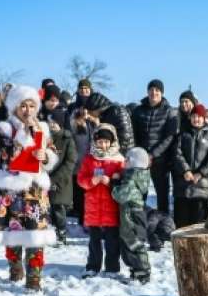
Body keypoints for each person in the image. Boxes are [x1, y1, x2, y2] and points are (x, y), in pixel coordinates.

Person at [0, 85, 58, 290]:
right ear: (14, 107)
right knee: (11, 234)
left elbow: (52, 153)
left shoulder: (43, 129)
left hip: (35, 190)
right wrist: (24, 133)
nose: (28, 110)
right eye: (23, 106)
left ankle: (34, 278)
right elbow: (8, 155)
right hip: (11, 190)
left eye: (31, 105)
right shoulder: (4, 128)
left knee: (35, 235)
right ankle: (15, 269)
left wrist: (46, 156)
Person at [77, 124, 125, 277]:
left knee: (112, 240)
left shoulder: (118, 160)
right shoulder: (89, 159)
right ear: (95, 142)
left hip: (111, 206)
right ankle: (93, 266)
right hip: (93, 206)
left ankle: (112, 267)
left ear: (112, 142)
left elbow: (124, 181)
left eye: (106, 141)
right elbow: (80, 179)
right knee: (94, 240)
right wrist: (92, 181)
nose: (103, 145)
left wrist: (110, 181)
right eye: (100, 142)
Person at [132, 79, 177, 215]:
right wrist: (140, 154)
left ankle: (163, 223)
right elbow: (134, 133)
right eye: (151, 89)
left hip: (161, 160)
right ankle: (140, 222)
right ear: (147, 91)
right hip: (141, 160)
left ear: (162, 93)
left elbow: (169, 137)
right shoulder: (138, 110)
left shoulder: (169, 111)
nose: (154, 92)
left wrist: (153, 155)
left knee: (162, 195)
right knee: (140, 194)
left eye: (157, 90)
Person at [172, 104, 208, 228]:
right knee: (181, 222)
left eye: (199, 116)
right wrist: (185, 170)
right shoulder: (182, 133)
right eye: (193, 116)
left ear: (204, 118)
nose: (196, 119)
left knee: (197, 223)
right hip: (183, 185)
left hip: (201, 185)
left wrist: (201, 173)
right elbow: (176, 153)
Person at [111, 146, 152, 283]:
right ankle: (136, 271)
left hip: (131, 216)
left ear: (134, 162)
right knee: (131, 243)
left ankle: (143, 272)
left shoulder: (131, 178)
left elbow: (120, 195)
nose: (124, 162)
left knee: (134, 243)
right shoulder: (140, 175)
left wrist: (114, 183)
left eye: (127, 160)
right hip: (134, 214)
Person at [45, 102, 78, 244]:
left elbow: (70, 162)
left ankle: (61, 233)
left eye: (54, 123)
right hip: (45, 178)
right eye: (50, 122)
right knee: (47, 208)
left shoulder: (67, 139)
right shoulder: (45, 139)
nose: (52, 125)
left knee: (59, 208)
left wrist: (55, 179)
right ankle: (49, 232)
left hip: (61, 181)